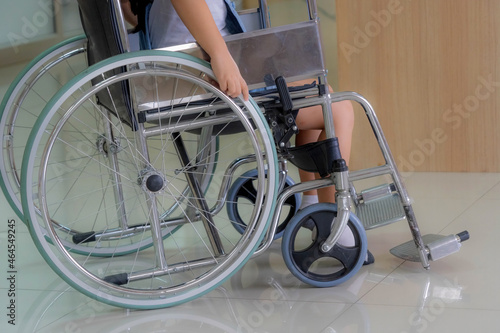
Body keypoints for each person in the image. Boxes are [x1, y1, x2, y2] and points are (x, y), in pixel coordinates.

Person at [121, 0, 372, 264]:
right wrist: (220, 55)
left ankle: (313, 206)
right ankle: (336, 229)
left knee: (318, 94)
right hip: (202, 84)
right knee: (336, 108)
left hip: (181, 77)